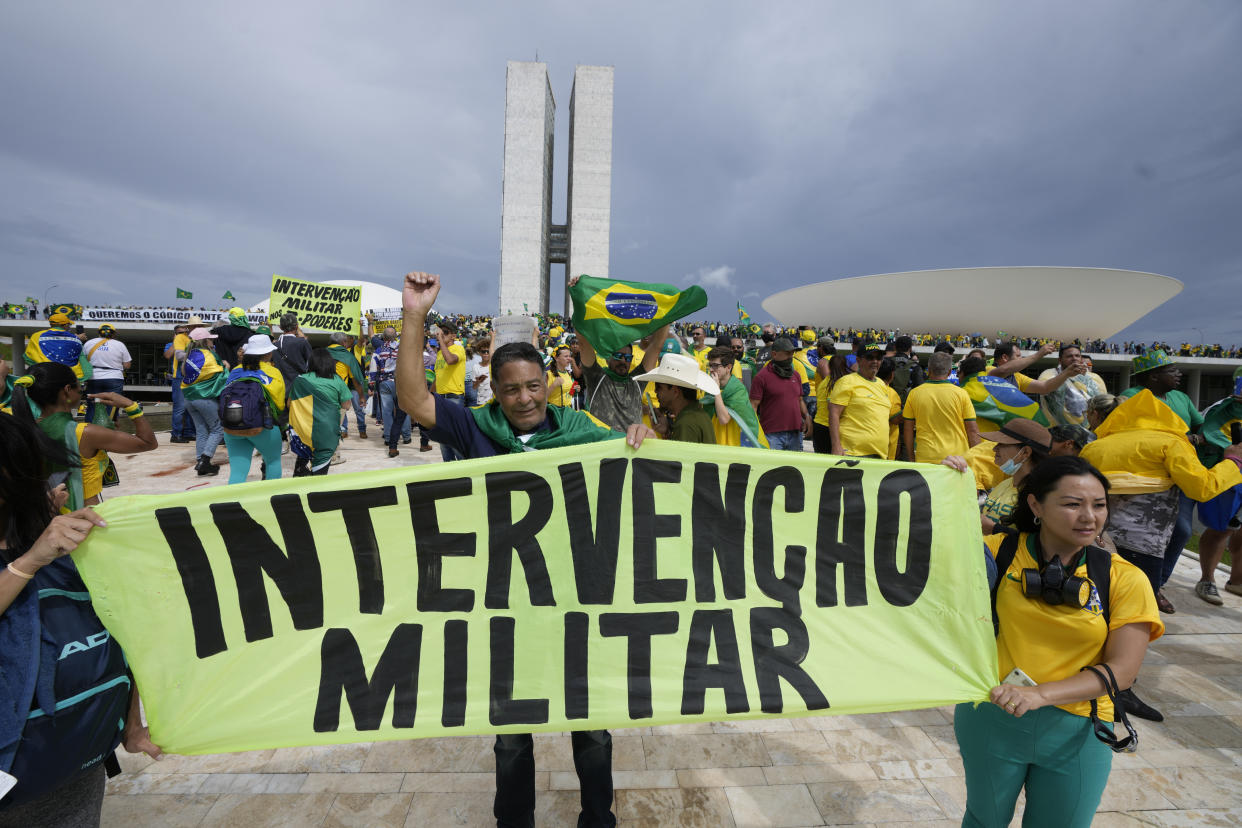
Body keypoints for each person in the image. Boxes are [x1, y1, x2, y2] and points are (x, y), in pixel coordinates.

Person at [397, 271, 655, 828]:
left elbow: (645, 454)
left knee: (591, 726)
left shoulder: (579, 429)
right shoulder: (475, 429)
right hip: (506, 609)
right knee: (512, 737)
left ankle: (598, 819)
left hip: (576, 602)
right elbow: (415, 400)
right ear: (494, 389)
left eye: (533, 386)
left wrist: (642, 437)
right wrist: (414, 315)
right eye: (510, 389)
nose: (524, 399)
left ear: (549, 383)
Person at [957, 456, 1163, 828]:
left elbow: (1123, 670)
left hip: (1080, 729)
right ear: (1036, 505)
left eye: (1099, 505)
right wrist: (944, 484)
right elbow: (920, 553)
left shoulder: (1124, 578)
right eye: (1073, 504)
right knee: (983, 820)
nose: (1090, 516)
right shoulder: (996, 552)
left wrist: (1040, 695)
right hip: (991, 714)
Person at [0, 413, 161, 825]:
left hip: (77, 751)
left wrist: (131, 724)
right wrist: (28, 562)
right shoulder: (39, 552)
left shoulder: (62, 545)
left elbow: (121, 636)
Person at [1080, 389, 1242, 615]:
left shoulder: (1095, 447)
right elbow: (1202, 488)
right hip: (1143, 544)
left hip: (1093, 537)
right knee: (1133, 610)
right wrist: (1234, 462)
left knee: (1094, 601)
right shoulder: (1171, 444)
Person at [1118, 350, 1205, 609]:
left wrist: (1198, 438)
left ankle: (1155, 585)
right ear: (1154, 376)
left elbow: (1200, 426)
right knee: (1141, 536)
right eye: (1172, 370)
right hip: (1148, 478)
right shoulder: (1132, 398)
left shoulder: (1181, 397)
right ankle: (1135, 585)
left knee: (1182, 531)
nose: (1178, 374)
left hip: (1181, 473)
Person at [10, 364, 158, 510]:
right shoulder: (85, 433)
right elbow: (148, 442)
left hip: (46, 517)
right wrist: (130, 406)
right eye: (80, 385)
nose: (82, 390)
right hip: (83, 519)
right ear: (67, 390)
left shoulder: (26, 430)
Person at [1191, 370, 1242, 604]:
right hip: (1227, 474)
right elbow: (1208, 434)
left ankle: (1237, 581)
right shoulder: (1222, 408)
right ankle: (1207, 579)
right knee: (1222, 528)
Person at [221, 334, 286, 484]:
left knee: (237, 471)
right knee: (273, 462)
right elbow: (279, 404)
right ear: (269, 353)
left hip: (233, 425)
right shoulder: (272, 372)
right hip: (263, 426)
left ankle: (233, 503)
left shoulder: (236, 371)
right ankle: (271, 498)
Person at [900, 351, 980, 464]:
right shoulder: (961, 394)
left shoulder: (914, 393)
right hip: (957, 459)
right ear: (949, 372)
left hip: (925, 457)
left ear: (928, 370)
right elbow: (972, 430)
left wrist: (911, 457)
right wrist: (977, 459)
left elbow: (908, 429)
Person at [978, 418, 1052, 535]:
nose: (995, 448)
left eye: (1002, 444)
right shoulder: (1004, 484)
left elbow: (1041, 543)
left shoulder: (1041, 495)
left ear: (1025, 452)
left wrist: (994, 529)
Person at [289, 349, 353, 475]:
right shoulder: (337, 380)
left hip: (303, 430)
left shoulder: (300, 380)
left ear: (311, 363)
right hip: (326, 432)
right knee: (320, 474)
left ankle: (299, 489)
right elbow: (347, 405)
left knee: (301, 468)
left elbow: (290, 403)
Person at [637, 353, 719, 444]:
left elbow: (676, 458)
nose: (655, 391)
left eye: (659, 387)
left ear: (675, 391)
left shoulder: (686, 423)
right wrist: (668, 431)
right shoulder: (697, 414)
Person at [750, 336, 812, 451]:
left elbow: (799, 400)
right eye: (787, 354)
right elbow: (753, 406)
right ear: (774, 354)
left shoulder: (796, 375)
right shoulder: (761, 377)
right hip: (772, 435)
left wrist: (807, 416)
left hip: (795, 434)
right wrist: (754, 432)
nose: (791, 357)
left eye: (792, 353)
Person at [827, 346, 890, 457]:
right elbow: (834, 414)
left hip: (879, 454)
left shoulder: (881, 384)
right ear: (858, 360)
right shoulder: (847, 381)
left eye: (879, 358)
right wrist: (836, 445)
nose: (875, 361)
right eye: (870, 357)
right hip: (853, 453)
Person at [180, 328, 227, 477]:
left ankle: (201, 462)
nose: (213, 342)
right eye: (211, 339)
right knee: (218, 427)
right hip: (203, 398)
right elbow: (220, 376)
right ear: (205, 341)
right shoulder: (209, 355)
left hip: (189, 398)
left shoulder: (190, 355)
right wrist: (226, 367)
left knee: (201, 430)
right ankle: (205, 460)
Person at [702, 346, 766, 447]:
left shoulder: (737, 389)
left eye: (715, 365)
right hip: (714, 440)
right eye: (710, 365)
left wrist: (716, 390)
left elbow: (724, 419)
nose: (711, 369)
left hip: (734, 443)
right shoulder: (710, 386)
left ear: (728, 367)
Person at [1038, 344, 1106, 427]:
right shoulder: (1049, 375)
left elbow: (1103, 404)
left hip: (1091, 431)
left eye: (1077, 356)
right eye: (1069, 356)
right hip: (1058, 432)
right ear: (1060, 360)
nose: (1074, 358)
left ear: (1081, 358)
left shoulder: (1094, 378)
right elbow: (1046, 390)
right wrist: (1067, 373)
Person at [988, 341, 1084, 396]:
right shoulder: (987, 369)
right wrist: (1038, 355)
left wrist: (1066, 373)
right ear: (1005, 357)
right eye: (1018, 356)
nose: (1021, 359)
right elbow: (1003, 371)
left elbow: (1045, 387)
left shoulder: (1018, 377)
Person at [432, 319, 467, 461]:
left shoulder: (458, 349)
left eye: (445, 332)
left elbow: (451, 360)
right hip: (440, 397)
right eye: (440, 332)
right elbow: (437, 376)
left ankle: (462, 467)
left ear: (453, 336)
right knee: (442, 437)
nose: (442, 335)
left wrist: (440, 341)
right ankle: (448, 466)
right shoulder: (440, 353)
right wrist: (429, 394)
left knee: (453, 435)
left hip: (454, 396)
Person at [82, 324, 132, 423]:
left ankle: (89, 432)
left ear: (99, 332)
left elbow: (82, 361)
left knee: (92, 406)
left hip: (93, 377)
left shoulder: (88, 343)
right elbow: (127, 365)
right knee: (112, 407)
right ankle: (109, 432)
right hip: (114, 378)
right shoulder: (120, 345)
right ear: (113, 334)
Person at [372, 326, 411, 447]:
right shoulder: (403, 349)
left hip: (384, 382)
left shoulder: (378, 350)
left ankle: (388, 437)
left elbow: (373, 369)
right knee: (404, 409)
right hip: (401, 382)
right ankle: (406, 436)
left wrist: (370, 386)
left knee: (387, 412)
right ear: (396, 336)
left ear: (383, 337)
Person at [328, 331, 369, 440]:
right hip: (344, 388)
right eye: (347, 339)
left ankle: (361, 429)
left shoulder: (323, 353)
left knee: (347, 410)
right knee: (343, 410)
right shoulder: (347, 356)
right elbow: (355, 379)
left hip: (328, 390)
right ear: (343, 342)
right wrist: (361, 396)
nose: (349, 341)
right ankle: (342, 430)